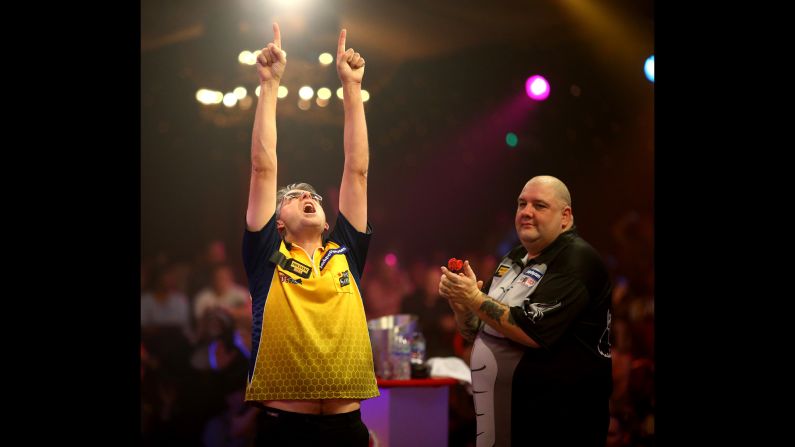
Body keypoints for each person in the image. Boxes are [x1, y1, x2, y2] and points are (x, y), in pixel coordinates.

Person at [240, 23, 376, 446]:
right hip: (285, 427)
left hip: (347, 427)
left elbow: (357, 169)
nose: (307, 196)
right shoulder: (268, 255)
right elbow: (264, 167)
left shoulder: (345, 253)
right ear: (277, 222)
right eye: (295, 196)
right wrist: (269, 84)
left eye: (313, 194)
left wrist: (351, 89)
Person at [439, 175, 613, 446]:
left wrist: (473, 297)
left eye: (539, 206)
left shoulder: (576, 260)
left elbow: (531, 330)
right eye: (522, 204)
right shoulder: (514, 257)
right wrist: (464, 309)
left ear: (565, 217)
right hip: (504, 423)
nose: (526, 212)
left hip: (556, 426)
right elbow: (482, 329)